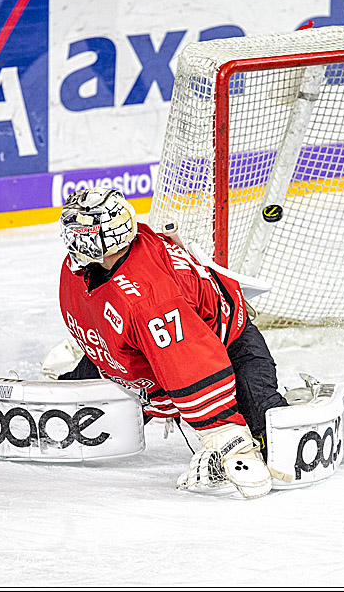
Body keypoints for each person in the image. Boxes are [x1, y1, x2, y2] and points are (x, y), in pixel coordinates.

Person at [55, 187, 289, 498]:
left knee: (270, 426)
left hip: (229, 345)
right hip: (144, 355)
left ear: (105, 238)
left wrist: (226, 438)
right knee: (72, 404)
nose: (73, 241)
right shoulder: (93, 265)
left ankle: (285, 426)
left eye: (81, 233)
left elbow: (191, 362)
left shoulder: (150, 300)